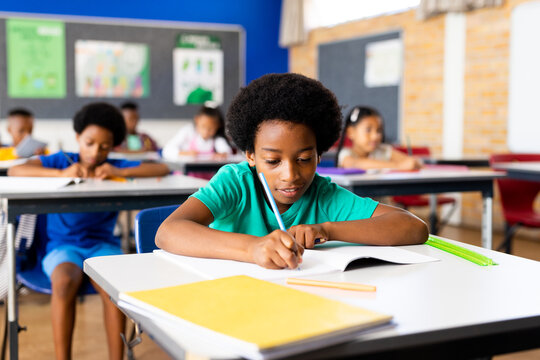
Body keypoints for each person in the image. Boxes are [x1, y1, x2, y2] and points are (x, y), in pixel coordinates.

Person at [155, 73, 428, 270]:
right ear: (250, 155)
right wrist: (252, 248)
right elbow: (168, 232)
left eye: (305, 158)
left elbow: (413, 228)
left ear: (319, 153)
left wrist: (328, 229)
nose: (290, 175)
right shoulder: (235, 183)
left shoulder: (323, 195)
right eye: (273, 161)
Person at [9, 102, 170, 360]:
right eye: (89, 142)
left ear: (113, 147)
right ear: (77, 138)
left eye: (104, 146)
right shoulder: (62, 160)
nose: (96, 152)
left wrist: (119, 170)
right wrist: (61, 173)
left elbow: (161, 168)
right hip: (62, 247)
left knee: (114, 287)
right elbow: (16, 169)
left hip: (102, 245)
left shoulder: (113, 166)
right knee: (63, 282)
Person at [335, 106, 422, 170]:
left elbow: (412, 162)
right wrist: (398, 166)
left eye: (379, 130)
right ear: (351, 132)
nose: (375, 136)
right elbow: (352, 164)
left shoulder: (383, 150)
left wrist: (414, 162)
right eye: (368, 130)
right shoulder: (346, 154)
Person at [161, 103, 233, 160]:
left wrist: (223, 154)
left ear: (218, 126)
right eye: (203, 126)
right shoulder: (188, 132)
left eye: (211, 129)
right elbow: (167, 151)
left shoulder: (217, 140)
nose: (206, 131)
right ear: (197, 120)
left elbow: (227, 151)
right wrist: (185, 153)